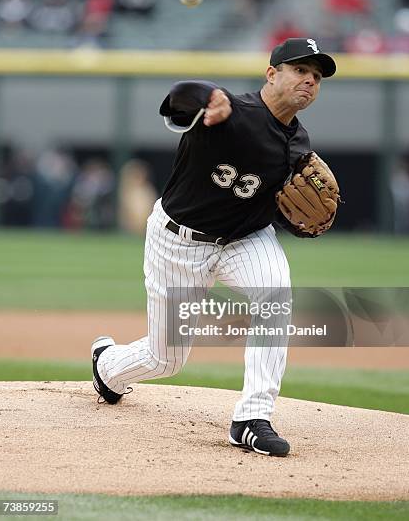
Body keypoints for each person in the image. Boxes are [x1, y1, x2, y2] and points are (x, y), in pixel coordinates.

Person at [91, 38, 337, 457]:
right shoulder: (229, 112)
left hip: (245, 239)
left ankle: (252, 418)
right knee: (165, 359)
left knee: (274, 297)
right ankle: (107, 367)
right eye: (300, 70)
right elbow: (178, 97)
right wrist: (207, 99)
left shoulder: (299, 145)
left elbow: (282, 206)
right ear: (272, 73)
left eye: (316, 77)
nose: (310, 81)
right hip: (177, 242)